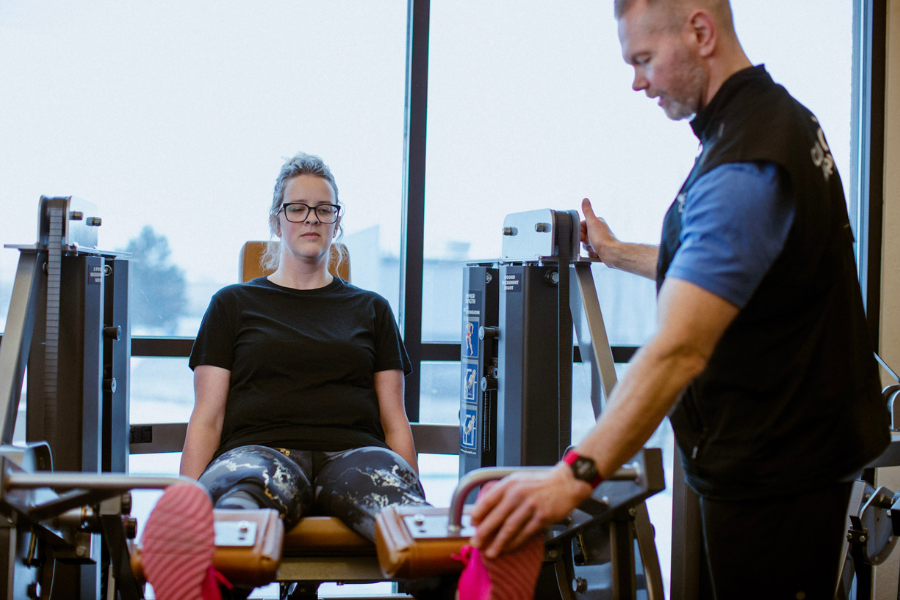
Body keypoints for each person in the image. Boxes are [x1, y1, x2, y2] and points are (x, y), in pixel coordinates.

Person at [469, 1, 891, 598]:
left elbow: (677, 349)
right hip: (785, 451)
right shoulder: (775, 123)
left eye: (643, 59)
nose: (637, 82)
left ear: (699, 30)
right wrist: (615, 253)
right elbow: (726, 266)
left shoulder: (747, 162)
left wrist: (573, 478)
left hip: (777, 468)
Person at [142, 152, 431, 599]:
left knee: (407, 524)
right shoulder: (232, 304)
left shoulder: (371, 308)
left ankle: (452, 574)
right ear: (277, 222)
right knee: (234, 513)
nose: (311, 218)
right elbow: (207, 418)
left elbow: (395, 419)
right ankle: (197, 567)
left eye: (324, 209)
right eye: (297, 208)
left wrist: (416, 494)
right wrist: (189, 504)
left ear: (337, 221)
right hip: (260, 452)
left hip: (355, 455)